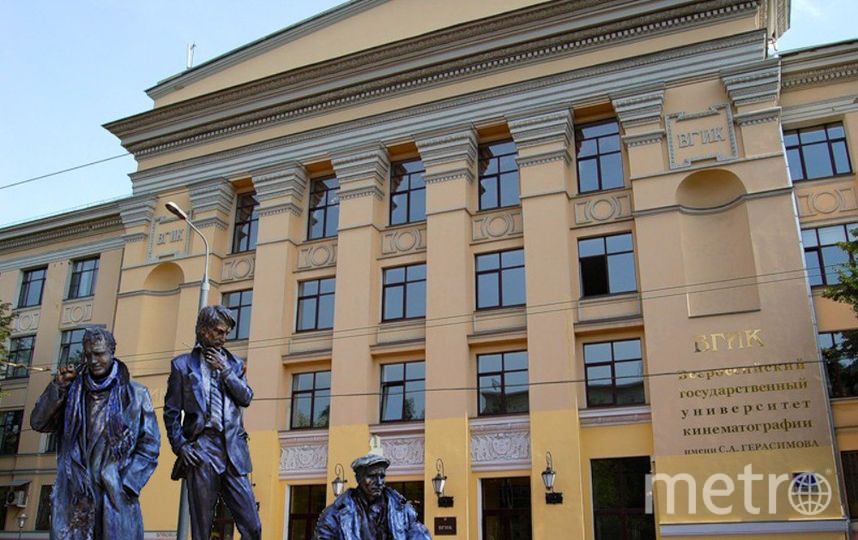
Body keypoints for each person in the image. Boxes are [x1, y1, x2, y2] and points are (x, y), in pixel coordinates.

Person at [31, 327, 160, 540]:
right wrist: (58, 387)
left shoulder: (135, 394)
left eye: (99, 353)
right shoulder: (72, 392)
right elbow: (38, 422)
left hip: (114, 492)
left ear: (112, 351)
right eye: (88, 355)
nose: (93, 360)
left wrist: (128, 483)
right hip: (76, 491)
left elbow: (150, 444)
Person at [163, 305, 262, 540]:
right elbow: (171, 413)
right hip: (202, 448)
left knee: (253, 525)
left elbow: (246, 397)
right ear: (204, 330)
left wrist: (226, 371)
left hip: (233, 450)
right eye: (219, 332)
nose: (223, 338)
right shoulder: (182, 366)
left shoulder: (235, 364)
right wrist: (182, 446)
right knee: (202, 528)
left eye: (226, 333)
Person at [314, 454, 431, 540]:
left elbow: (421, 536)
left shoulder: (403, 511)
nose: (379, 482)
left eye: (382, 476)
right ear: (358, 478)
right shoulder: (334, 514)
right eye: (372, 476)